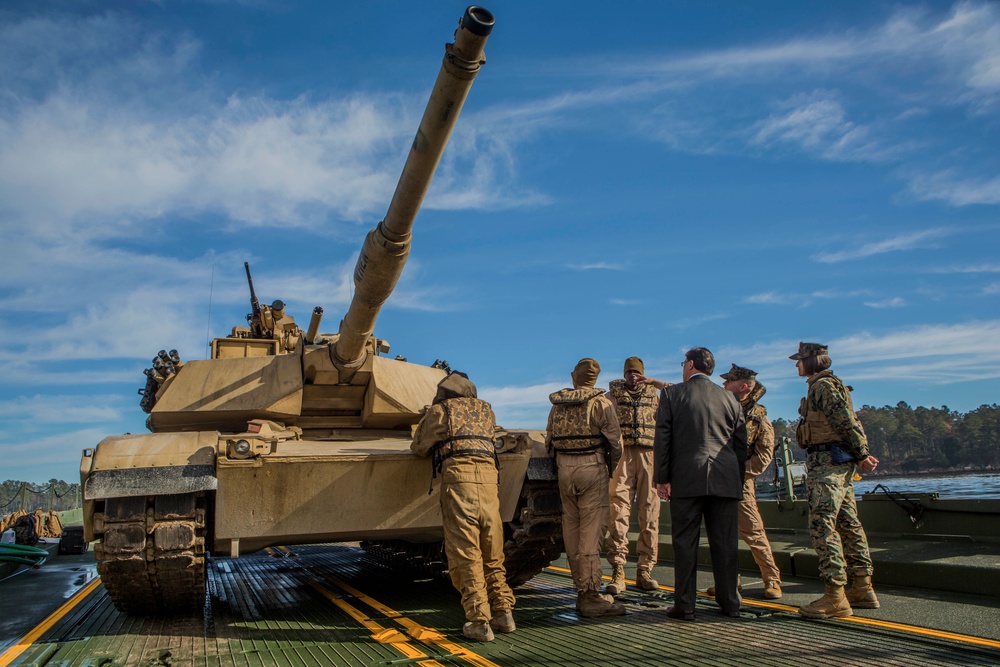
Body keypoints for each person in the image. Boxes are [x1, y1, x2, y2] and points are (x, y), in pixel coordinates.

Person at [411, 372, 516, 642]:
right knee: (492, 553)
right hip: (490, 485)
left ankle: (479, 621)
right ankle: (504, 613)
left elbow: (420, 447)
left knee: (465, 553)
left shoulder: (441, 411)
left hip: (460, 483)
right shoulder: (486, 411)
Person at [654, 348, 748, 620]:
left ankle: (685, 605)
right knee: (726, 543)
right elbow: (741, 445)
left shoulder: (672, 394)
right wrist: (736, 479)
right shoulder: (731, 398)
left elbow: (663, 439)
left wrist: (662, 478)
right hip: (725, 478)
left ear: (691, 364)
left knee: (685, 543)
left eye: (683, 362)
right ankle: (730, 603)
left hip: (686, 477)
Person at [791, 342, 881, 619]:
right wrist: (858, 454)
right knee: (847, 522)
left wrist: (862, 454)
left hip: (827, 464)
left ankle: (835, 596)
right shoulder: (825, 385)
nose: (796, 365)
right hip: (837, 463)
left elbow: (844, 420)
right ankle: (862, 588)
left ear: (813, 361)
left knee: (822, 524)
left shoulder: (823, 386)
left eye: (800, 360)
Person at [547, 358, 626, 617]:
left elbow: (549, 441)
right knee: (591, 533)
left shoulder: (557, 406)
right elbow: (616, 443)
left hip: (563, 470)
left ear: (574, 377)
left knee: (571, 529)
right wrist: (609, 468)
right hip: (592, 467)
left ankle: (580, 588)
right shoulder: (601, 403)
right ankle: (591, 595)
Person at [713, 364, 782, 600]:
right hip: (716, 480)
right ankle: (729, 582)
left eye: (728, 381)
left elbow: (763, 456)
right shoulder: (719, 409)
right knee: (721, 533)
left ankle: (771, 579)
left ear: (742, 386)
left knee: (753, 531)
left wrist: (739, 474)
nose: (723, 385)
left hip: (740, 482)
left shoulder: (759, 417)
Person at [604, 356, 669, 595]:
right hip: (621, 457)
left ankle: (645, 569)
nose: (633, 376)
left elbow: (669, 419)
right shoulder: (611, 396)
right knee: (618, 511)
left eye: (637, 372)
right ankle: (618, 570)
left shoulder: (654, 395)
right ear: (624, 374)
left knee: (650, 512)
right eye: (629, 372)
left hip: (650, 456)